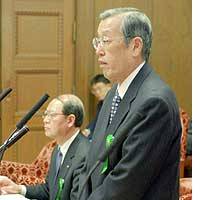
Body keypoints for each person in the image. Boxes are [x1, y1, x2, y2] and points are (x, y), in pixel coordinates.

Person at [79, 7, 182, 200]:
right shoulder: (113, 93)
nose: (98, 51)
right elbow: (92, 164)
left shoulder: (154, 102)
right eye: (97, 42)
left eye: (106, 41)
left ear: (135, 46)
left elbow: (125, 184)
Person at [0, 94, 89, 200]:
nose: (45, 120)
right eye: (45, 114)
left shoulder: (84, 154)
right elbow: (49, 190)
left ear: (70, 120)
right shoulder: (57, 149)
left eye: (52, 115)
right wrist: (18, 188)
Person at [83, 74, 111, 139]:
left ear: (109, 86)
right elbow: (96, 120)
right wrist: (88, 130)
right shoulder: (101, 104)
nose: (97, 92)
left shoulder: (115, 102)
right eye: (94, 90)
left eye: (99, 88)